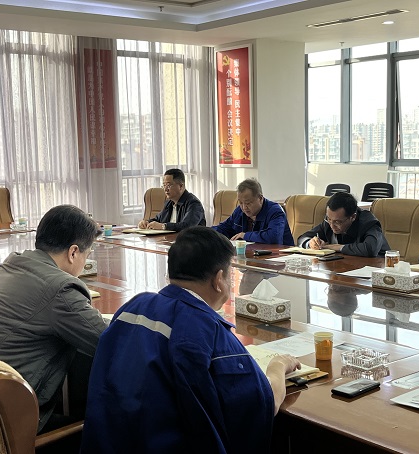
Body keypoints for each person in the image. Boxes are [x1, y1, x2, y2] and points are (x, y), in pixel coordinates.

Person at [80, 227, 300, 453]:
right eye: (230, 274)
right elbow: (261, 404)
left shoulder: (134, 307)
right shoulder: (207, 329)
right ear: (219, 280)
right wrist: (278, 366)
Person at [0, 205, 109, 433]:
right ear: (74, 252)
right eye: (87, 254)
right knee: (100, 431)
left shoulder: (12, 264)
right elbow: (110, 341)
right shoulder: (61, 289)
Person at [297, 192, 390, 257]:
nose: (332, 225)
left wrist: (338, 247)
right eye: (329, 219)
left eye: (338, 222)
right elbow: (302, 238)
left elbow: (370, 249)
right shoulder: (329, 222)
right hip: (344, 268)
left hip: (374, 271)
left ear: (353, 217)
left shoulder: (369, 223)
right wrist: (310, 243)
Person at [212, 178, 294, 245]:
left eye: (248, 203)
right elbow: (224, 228)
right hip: (252, 255)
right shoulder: (239, 211)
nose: (244, 207)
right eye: (241, 203)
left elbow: (273, 237)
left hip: (280, 257)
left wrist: (245, 236)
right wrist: (208, 233)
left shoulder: (275, 211)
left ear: (260, 198)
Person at [137, 168, 206, 231]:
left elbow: (187, 226)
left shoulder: (194, 203)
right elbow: (158, 219)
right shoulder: (169, 203)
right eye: (164, 185)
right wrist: (146, 222)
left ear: (181, 186)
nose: (165, 189)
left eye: (168, 185)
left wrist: (163, 226)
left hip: (190, 240)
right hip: (170, 239)